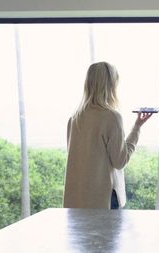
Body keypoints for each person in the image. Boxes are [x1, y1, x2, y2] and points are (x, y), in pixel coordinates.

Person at [63, 61, 153, 209]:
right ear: (111, 85)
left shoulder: (74, 119)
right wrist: (136, 128)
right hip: (103, 201)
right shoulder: (111, 117)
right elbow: (120, 161)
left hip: (77, 203)